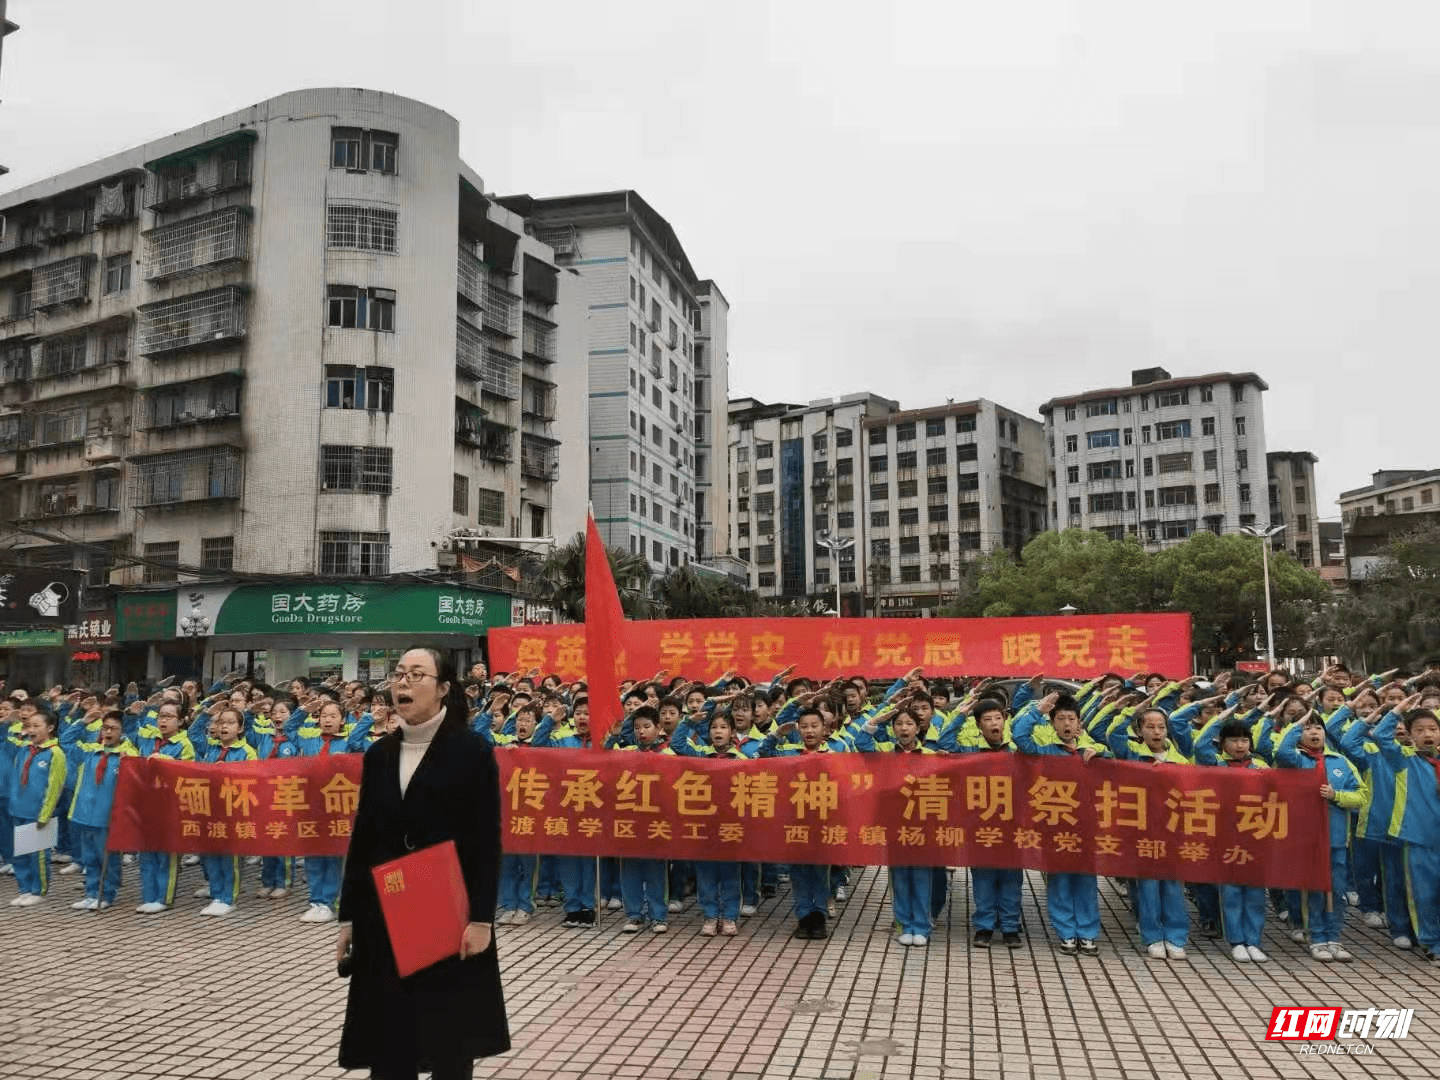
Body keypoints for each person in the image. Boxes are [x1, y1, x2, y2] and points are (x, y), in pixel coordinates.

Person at [338, 647, 509, 1079]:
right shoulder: (379, 756)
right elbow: (364, 840)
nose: (403, 683)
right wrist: (348, 918)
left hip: (447, 912)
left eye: (417, 675)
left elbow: (485, 840)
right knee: (389, 1041)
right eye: (398, 674)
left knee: (449, 1042)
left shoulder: (471, 751)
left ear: (444, 689)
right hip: (385, 910)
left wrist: (482, 920)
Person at [64, 708, 136, 911]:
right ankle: (91, 892)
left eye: (113, 728)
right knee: (89, 858)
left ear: (122, 732)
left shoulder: (127, 756)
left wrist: (126, 763)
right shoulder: (91, 751)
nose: (108, 732)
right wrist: (82, 722)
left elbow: (133, 785)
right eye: (105, 728)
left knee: (108, 859)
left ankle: (107, 893)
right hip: (85, 814)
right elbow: (67, 742)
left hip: (107, 817)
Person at [197, 707, 257, 916]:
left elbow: (254, 780)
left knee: (229, 859)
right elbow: (194, 735)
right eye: (221, 722)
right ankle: (216, 894)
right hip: (210, 810)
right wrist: (206, 714)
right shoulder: (211, 748)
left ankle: (228, 898)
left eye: (230, 722)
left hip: (233, 812)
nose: (224, 726)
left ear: (240, 728)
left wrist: (228, 772)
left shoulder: (246, 751)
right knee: (211, 855)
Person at [7, 704, 68, 907]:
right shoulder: (25, 750)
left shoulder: (55, 753)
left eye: (36, 725)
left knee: (38, 854)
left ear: (49, 728)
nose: (31, 730)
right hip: (19, 808)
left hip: (39, 811)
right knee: (21, 853)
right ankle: (24, 888)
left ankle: (38, 890)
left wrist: (46, 812)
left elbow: (55, 787)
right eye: (29, 726)